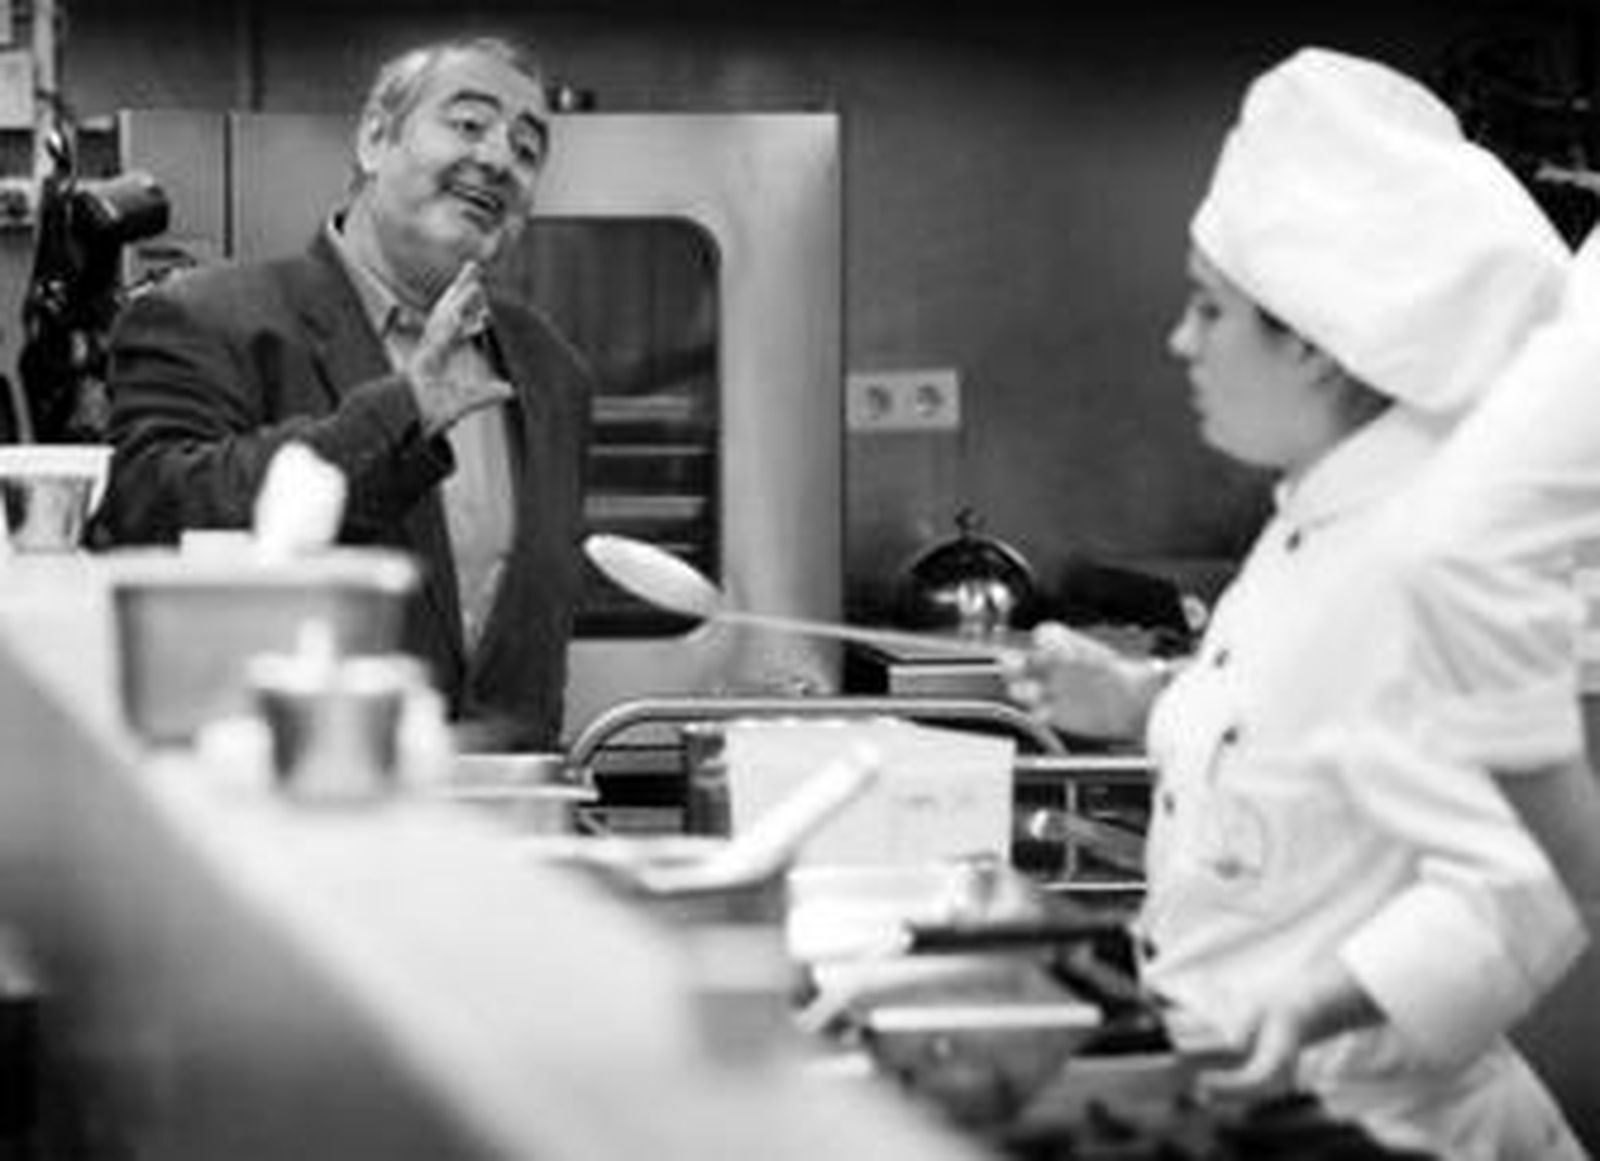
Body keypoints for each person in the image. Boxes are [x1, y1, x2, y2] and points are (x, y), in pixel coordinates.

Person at [1004, 48, 1590, 1159]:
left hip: (1382, 1131)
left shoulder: (1432, 559)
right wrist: (1133, 700)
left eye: (1208, 310)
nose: (1181, 342)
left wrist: (1321, 1003)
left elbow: (1528, 879)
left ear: (1319, 350)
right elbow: (1302, 751)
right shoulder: (1307, 530)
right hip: (1260, 1108)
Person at [99, 36, 593, 750]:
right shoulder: (206, 319)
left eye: (526, 148)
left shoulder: (550, 368)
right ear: (373, 138)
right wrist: (404, 409)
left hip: (497, 822)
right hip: (284, 805)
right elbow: (155, 519)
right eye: (467, 124)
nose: (496, 159)